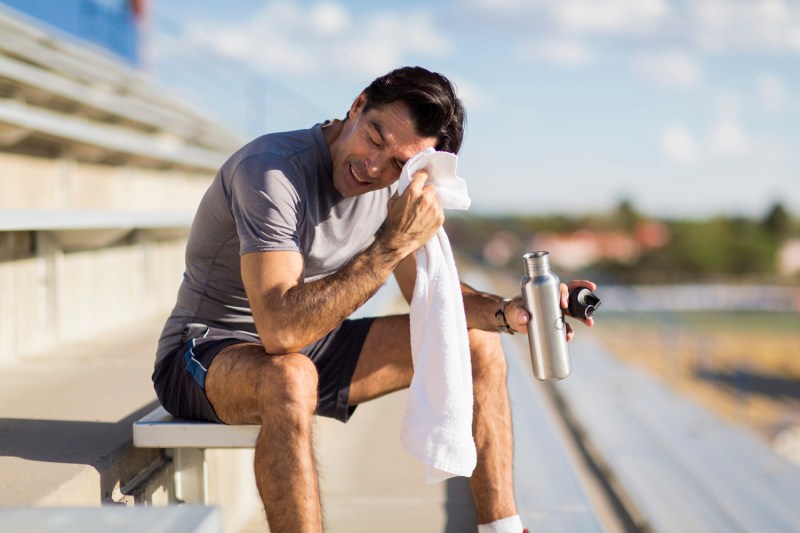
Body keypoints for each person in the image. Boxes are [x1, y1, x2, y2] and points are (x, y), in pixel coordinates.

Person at [152, 66, 595, 533]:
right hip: (205, 352)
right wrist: (390, 243)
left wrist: (510, 313)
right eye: (375, 137)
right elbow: (279, 330)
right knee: (291, 376)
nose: (373, 166)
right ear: (358, 104)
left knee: (476, 342)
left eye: (398, 164)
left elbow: (436, 299)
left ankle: (503, 528)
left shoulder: (393, 187)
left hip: (313, 345)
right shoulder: (270, 170)